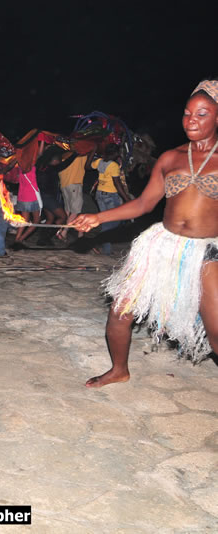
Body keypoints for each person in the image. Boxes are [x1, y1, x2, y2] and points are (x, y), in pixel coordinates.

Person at [72, 78, 218, 387]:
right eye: (187, 113)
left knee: (216, 328)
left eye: (202, 114)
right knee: (120, 311)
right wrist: (97, 217)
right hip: (161, 244)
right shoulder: (170, 158)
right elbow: (143, 204)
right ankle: (118, 370)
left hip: (207, 252)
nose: (191, 120)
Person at [90, 144, 131, 255]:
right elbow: (117, 184)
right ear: (114, 153)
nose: (119, 154)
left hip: (99, 194)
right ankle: (96, 241)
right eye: (117, 152)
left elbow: (87, 166)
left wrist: (93, 151)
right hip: (110, 196)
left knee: (107, 221)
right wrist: (127, 199)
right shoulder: (113, 165)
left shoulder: (99, 162)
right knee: (116, 221)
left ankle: (106, 250)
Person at [57, 151, 94, 241]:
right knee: (75, 211)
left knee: (68, 210)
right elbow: (88, 165)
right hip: (74, 183)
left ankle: (66, 231)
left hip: (64, 184)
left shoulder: (64, 153)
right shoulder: (81, 153)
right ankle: (64, 232)